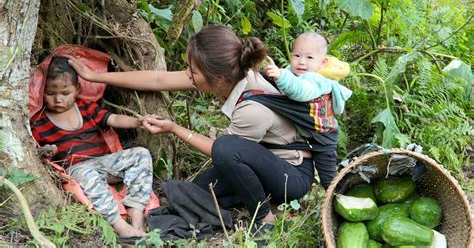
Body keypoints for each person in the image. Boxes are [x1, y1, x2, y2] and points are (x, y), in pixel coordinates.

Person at [66, 25, 320, 235]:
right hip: (263, 161)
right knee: (198, 190)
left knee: (225, 152)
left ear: (217, 78)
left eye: (192, 71)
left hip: (291, 176)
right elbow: (158, 80)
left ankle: (265, 217)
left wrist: (175, 129)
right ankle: (251, 199)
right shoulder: (227, 74)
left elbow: (222, 151)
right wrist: (95, 77)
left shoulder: (251, 108)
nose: (188, 75)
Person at [30, 56, 154, 238]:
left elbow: (113, 119)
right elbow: (36, 151)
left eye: (65, 93)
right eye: (50, 93)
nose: (58, 99)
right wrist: (47, 152)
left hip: (104, 163)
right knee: (86, 173)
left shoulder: (86, 107)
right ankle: (120, 226)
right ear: (42, 91)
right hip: (77, 169)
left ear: (77, 89)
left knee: (141, 154)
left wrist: (137, 121)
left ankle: (137, 217)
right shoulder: (39, 122)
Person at [264, 32, 352, 114]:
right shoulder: (291, 71)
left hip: (306, 126)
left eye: (309, 57)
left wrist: (281, 76)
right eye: (297, 55)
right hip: (289, 114)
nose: (301, 61)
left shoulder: (319, 79)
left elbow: (301, 91)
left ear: (322, 63)